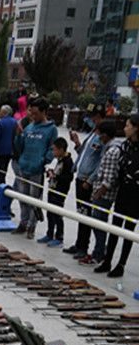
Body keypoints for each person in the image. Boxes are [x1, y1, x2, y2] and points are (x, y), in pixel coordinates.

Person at [95, 113, 139, 278]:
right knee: (114, 228)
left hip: (136, 196)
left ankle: (121, 264)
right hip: (122, 192)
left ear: (136, 128)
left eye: (128, 126)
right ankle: (107, 260)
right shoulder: (125, 146)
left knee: (128, 231)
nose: (125, 128)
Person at [64, 107, 107, 258]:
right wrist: (77, 143)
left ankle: (84, 247)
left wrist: (90, 180)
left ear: (99, 117)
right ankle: (79, 243)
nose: (91, 120)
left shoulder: (103, 137)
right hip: (80, 177)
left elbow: (100, 163)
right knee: (81, 213)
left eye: (93, 117)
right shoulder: (92, 133)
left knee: (87, 215)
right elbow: (84, 154)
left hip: (87, 181)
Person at [13, 98, 57, 237]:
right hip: (23, 167)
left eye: (36, 113)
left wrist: (43, 161)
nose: (33, 116)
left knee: (34, 200)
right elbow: (19, 146)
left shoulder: (51, 129)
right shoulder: (29, 127)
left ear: (44, 112)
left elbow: (52, 149)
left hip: (37, 171)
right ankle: (23, 222)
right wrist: (18, 136)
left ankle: (32, 226)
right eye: (31, 113)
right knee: (22, 198)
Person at [81, 120, 123, 266]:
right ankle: (99, 250)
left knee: (99, 224)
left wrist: (99, 193)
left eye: (100, 135)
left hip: (104, 195)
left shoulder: (112, 151)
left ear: (105, 135)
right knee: (97, 223)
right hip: (100, 192)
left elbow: (109, 178)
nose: (98, 138)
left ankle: (98, 253)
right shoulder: (110, 147)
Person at [38, 138, 73, 247]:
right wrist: (50, 172)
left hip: (60, 191)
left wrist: (55, 176)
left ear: (61, 149)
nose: (53, 152)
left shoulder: (68, 162)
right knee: (50, 213)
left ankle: (59, 237)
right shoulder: (58, 159)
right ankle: (49, 233)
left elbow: (69, 178)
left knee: (57, 214)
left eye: (55, 150)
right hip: (52, 189)